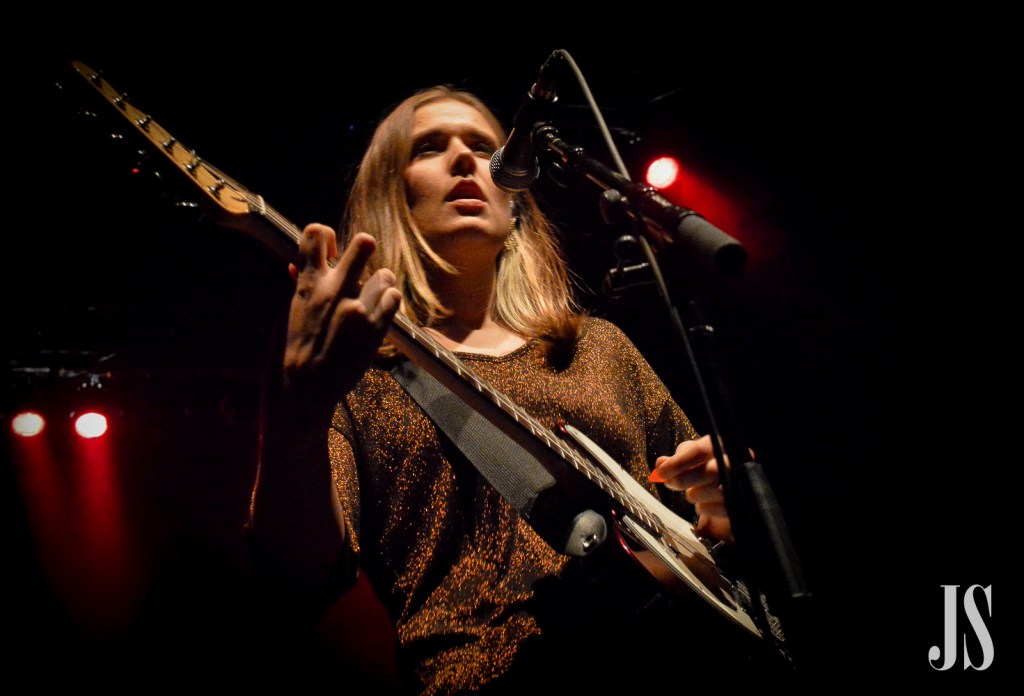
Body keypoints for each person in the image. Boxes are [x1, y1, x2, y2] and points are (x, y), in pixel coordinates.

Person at [246, 85, 753, 693]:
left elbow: (706, 534)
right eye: (430, 147)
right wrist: (296, 410)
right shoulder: (356, 376)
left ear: (514, 201)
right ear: (390, 195)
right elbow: (296, 575)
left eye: (486, 147)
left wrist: (724, 507)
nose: (466, 160)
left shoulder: (597, 347)